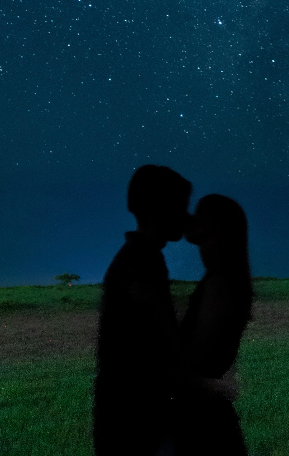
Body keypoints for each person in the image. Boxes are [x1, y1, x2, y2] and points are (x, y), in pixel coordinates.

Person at [94, 164, 193, 456]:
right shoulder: (143, 261)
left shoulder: (139, 256)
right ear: (156, 212)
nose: (187, 217)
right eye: (180, 207)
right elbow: (156, 342)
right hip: (135, 416)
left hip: (126, 411)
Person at [175, 194, 253, 456]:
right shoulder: (231, 279)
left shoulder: (220, 284)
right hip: (210, 414)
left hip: (203, 419)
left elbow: (198, 361)